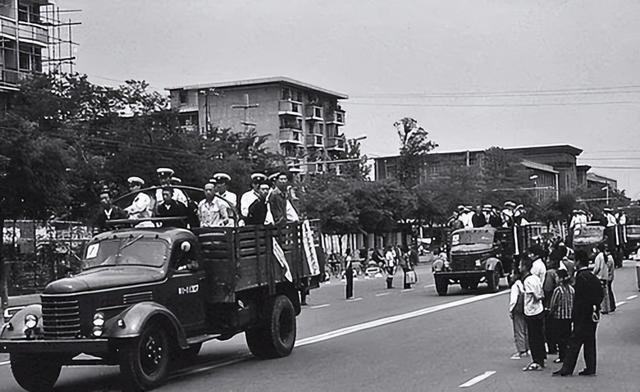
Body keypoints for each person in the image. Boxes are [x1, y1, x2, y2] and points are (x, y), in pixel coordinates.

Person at [553, 250, 604, 377]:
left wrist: (575, 316)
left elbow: (579, 300)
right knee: (589, 342)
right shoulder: (592, 276)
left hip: (582, 316)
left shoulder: (581, 277)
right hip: (593, 314)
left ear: (578, 261)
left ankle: (567, 369)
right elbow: (600, 294)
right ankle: (591, 367)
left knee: (574, 343)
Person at [520, 256, 546, 371]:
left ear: (525, 267)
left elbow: (536, 296)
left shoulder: (528, 280)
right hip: (539, 310)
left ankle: (537, 361)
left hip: (531, 312)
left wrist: (536, 297)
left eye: (520, 265)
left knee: (533, 338)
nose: (518, 267)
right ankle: (541, 359)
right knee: (539, 336)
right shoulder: (535, 278)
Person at [548, 268, 574, 364]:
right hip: (569, 317)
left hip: (559, 317)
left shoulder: (558, 290)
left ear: (561, 279)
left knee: (559, 337)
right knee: (567, 337)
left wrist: (550, 313)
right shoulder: (571, 289)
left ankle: (562, 356)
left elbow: (553, 304)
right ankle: (567, 355)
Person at [508, 271, 529, 360]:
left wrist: (510, 310)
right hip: (526, 309)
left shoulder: (515, 286)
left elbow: (513, 300)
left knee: (519, 330)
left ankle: (521, 350)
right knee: (526, 329)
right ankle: (527, 348)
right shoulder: (524, 284)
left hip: (518, 310)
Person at [592, 243, 610, 314]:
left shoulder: (598, 257)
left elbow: (597, 268)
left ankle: (602, 308)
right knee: (605, 293)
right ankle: (606, 308)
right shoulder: (605, 256)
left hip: (599, 277)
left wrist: (593, 274)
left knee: (600, 293)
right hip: (605, 276)